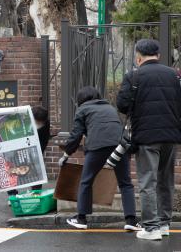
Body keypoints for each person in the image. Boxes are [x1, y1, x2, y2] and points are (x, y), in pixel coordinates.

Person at [117, 39, 181, 240]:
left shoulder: (133, 76)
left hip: (146, 137)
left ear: (138, 57)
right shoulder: (174, 75)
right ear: (159, 56)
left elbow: (122, 105)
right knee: (165, 181)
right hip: (171, 136)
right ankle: (164, 224)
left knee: (147, 182)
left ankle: (151, 228)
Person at [60, 86, 140, 231]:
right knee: (125, 183)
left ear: (80, 100)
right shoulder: (109, 107)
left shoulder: (82, 109)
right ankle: (131, 220)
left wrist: (66, 154)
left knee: (86, 181)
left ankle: (81, 219)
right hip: (118, 146)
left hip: (97, 146)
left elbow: (76, 135)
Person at [7, 106, 50, 197]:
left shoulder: (46, 123)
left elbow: (44, 139)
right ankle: (12, 195)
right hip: (17, 146)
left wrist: (38, 152)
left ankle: (36, 193)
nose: (39, 124)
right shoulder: (21, 119)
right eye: (37, 122)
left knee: (37, 169)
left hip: (35, 148)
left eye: (41, 123)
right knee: (12, 169)